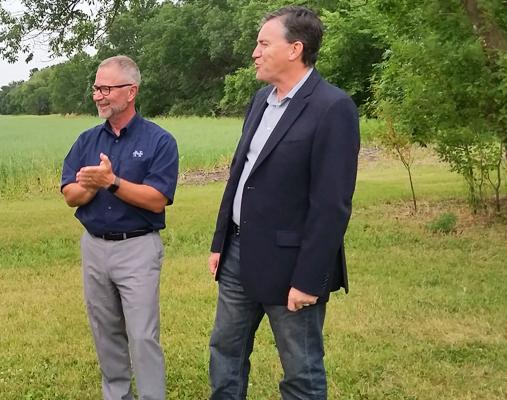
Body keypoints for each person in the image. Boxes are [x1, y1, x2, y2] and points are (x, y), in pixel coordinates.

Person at [206, 6, 360, 400]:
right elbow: (241, 174)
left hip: (292, 264)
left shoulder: (332, 107)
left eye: (263, 43)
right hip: (239, 253)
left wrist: (309, 279)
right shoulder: (261, 100)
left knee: (300, 370)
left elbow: (332, 205)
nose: (255, 53)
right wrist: (220, 241)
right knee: (225, 350)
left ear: (295, 49)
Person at [60, 55, 179, 400]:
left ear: (131, 92)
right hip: (94, 246)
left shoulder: (160, 141)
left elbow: (157, 199)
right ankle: (117, 395)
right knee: (105, 331)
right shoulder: (86, 141)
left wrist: (111, 181)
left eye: (106, 88)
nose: (98, 95)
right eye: (96, 88)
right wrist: (93, 186)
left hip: (138, 248)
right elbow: (70, 195)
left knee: (142, 334)